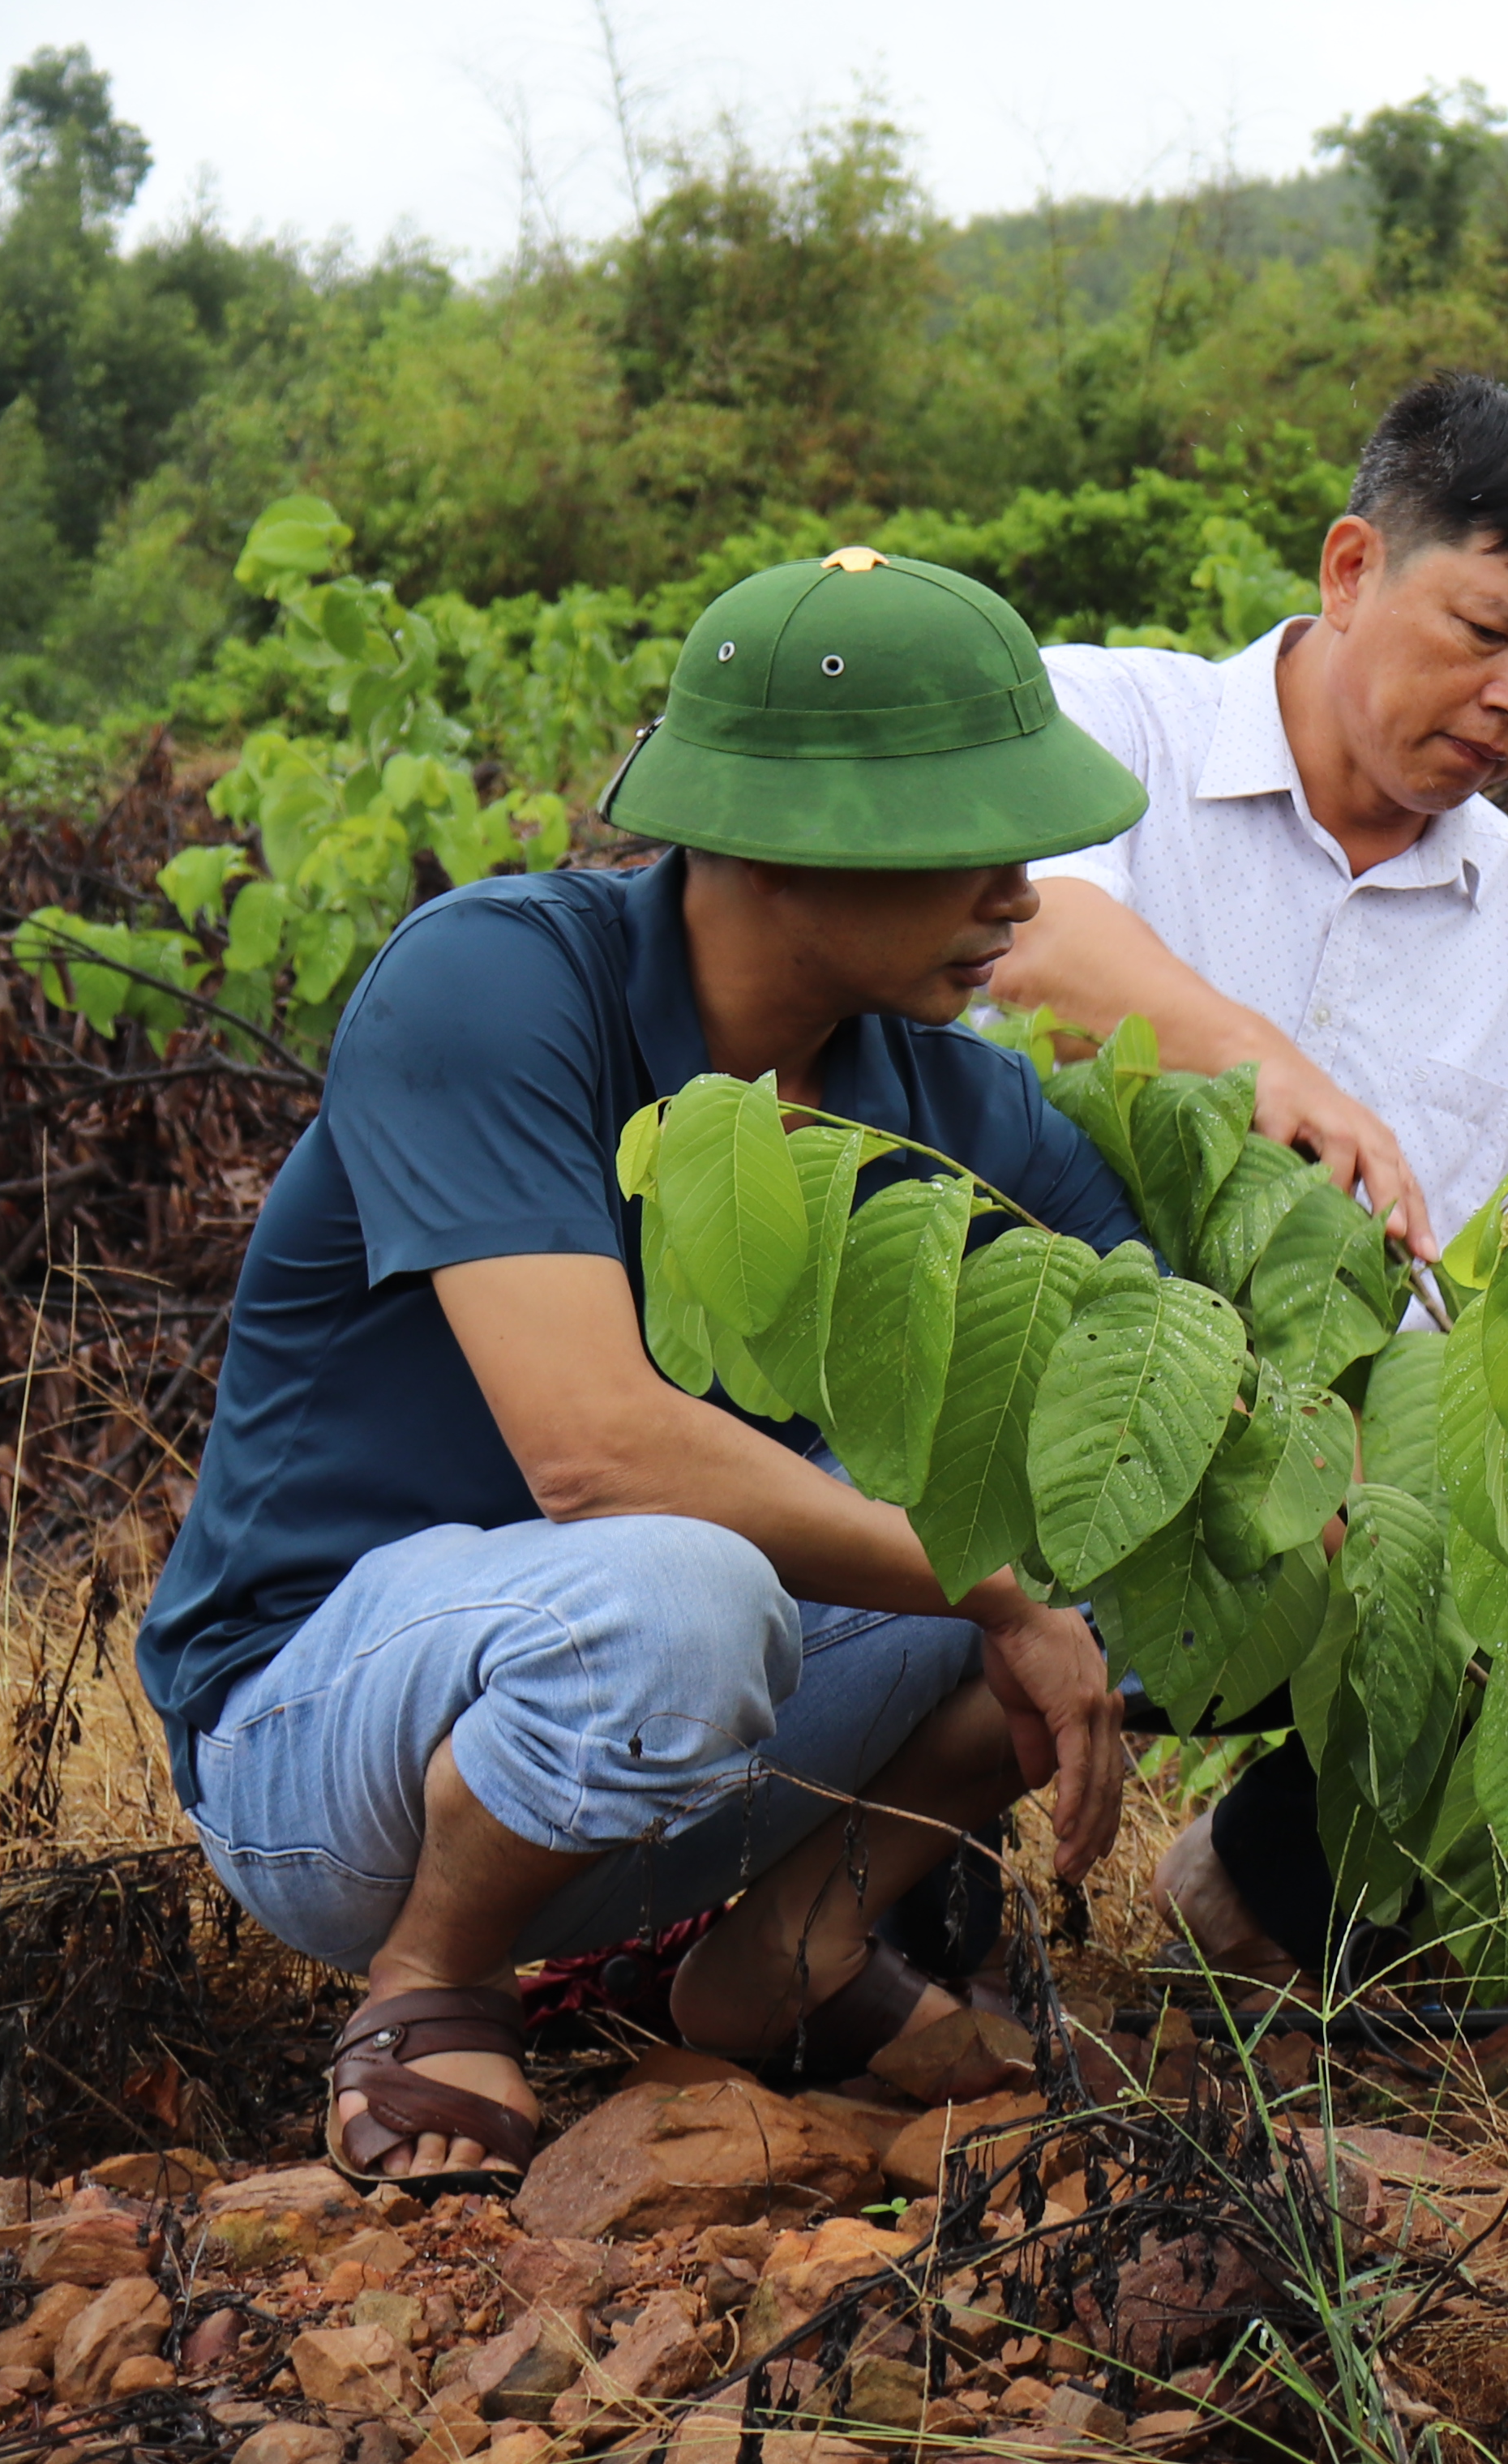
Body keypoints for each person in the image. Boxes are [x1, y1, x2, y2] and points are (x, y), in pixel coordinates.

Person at [136, 548, 1157, 2189]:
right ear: (766, 838)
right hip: (337, 1741)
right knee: (688, 1590)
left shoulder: (951, 1101)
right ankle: (431, 1983)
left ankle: (787, 1956)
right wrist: (993, 1582)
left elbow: (1163, 1372)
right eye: (959, 839)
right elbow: (597, 1449)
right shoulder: (497, 982)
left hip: (676, 1744)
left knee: (1118, 1528)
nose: (1019, 895)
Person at [985, 370, 1508, 1991]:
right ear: (1351, 568)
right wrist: (1268, 1065)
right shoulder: (1101, 720)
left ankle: (1268, 1887)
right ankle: (855, 1909)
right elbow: (1028, 934)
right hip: (1038, 1408)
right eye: (1486, 630)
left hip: (1339, 1466)